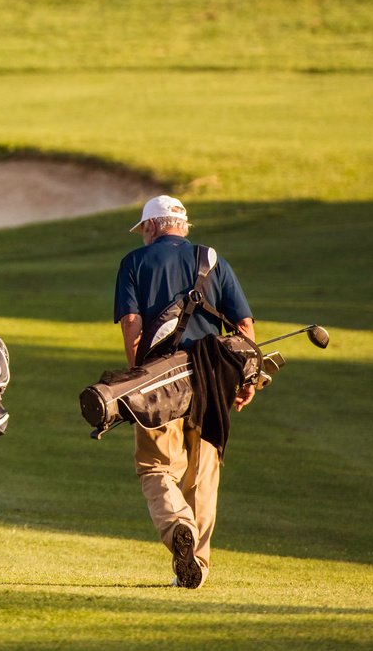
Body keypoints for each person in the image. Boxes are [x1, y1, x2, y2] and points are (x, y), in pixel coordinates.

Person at [113, 195, 256, 589]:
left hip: (159, 382)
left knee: (155, 466)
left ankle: (179, 528)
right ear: (182, 225)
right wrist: (248, 379)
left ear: (152, 226)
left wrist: (135, 376)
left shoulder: (134, 263)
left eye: (144, 229)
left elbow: (131, 323)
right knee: (202, 475)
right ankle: (195, 569)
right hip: (213, 379)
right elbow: (244, 326)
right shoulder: (211, 259)